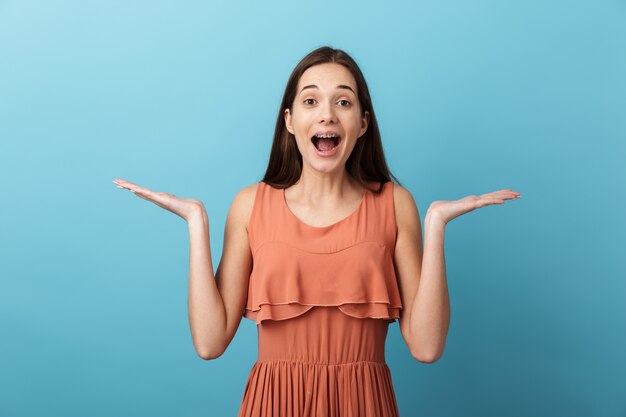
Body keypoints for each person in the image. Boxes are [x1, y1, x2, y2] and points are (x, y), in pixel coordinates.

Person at [113, 46, 521, 416]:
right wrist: (196, 221)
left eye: (343, 101)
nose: (326, 114)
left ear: (362, 123)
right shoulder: (250, 205)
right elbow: (209, 342)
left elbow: (427, 348)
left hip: (365, 404)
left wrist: (435, 226)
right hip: (272, 405)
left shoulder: (395, 204)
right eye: (310, 101)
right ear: (290, 121)